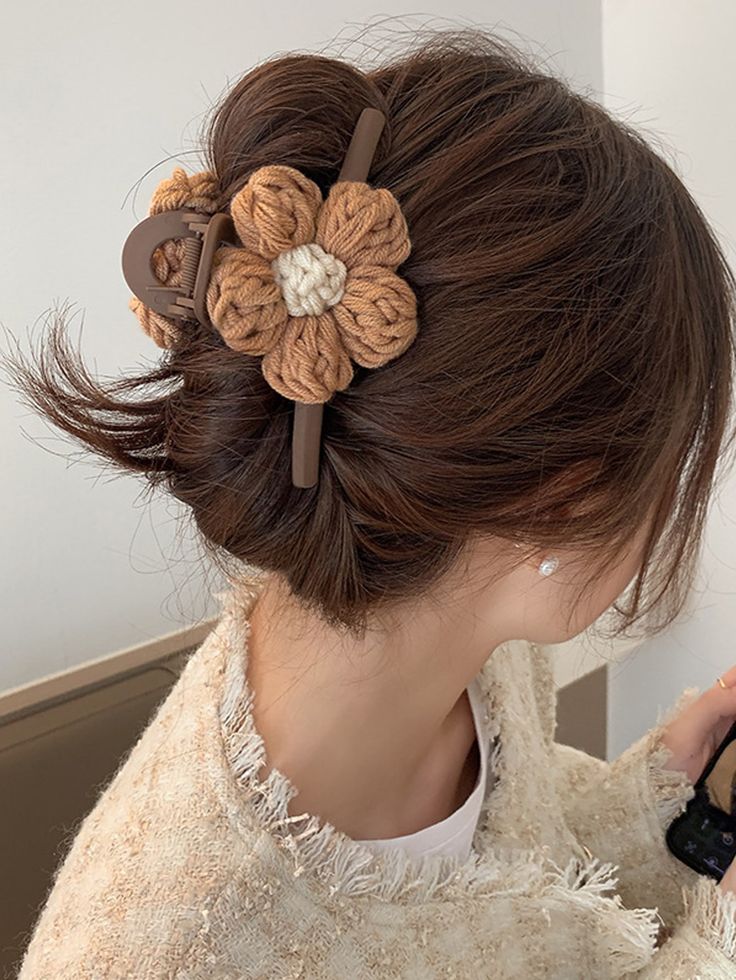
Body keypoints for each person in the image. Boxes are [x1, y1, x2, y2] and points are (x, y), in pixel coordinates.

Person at [9, 25, 736, 980]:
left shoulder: (462, 626)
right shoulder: (162, 954)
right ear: (563, 502)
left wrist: (669, 800)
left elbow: (496, 892)